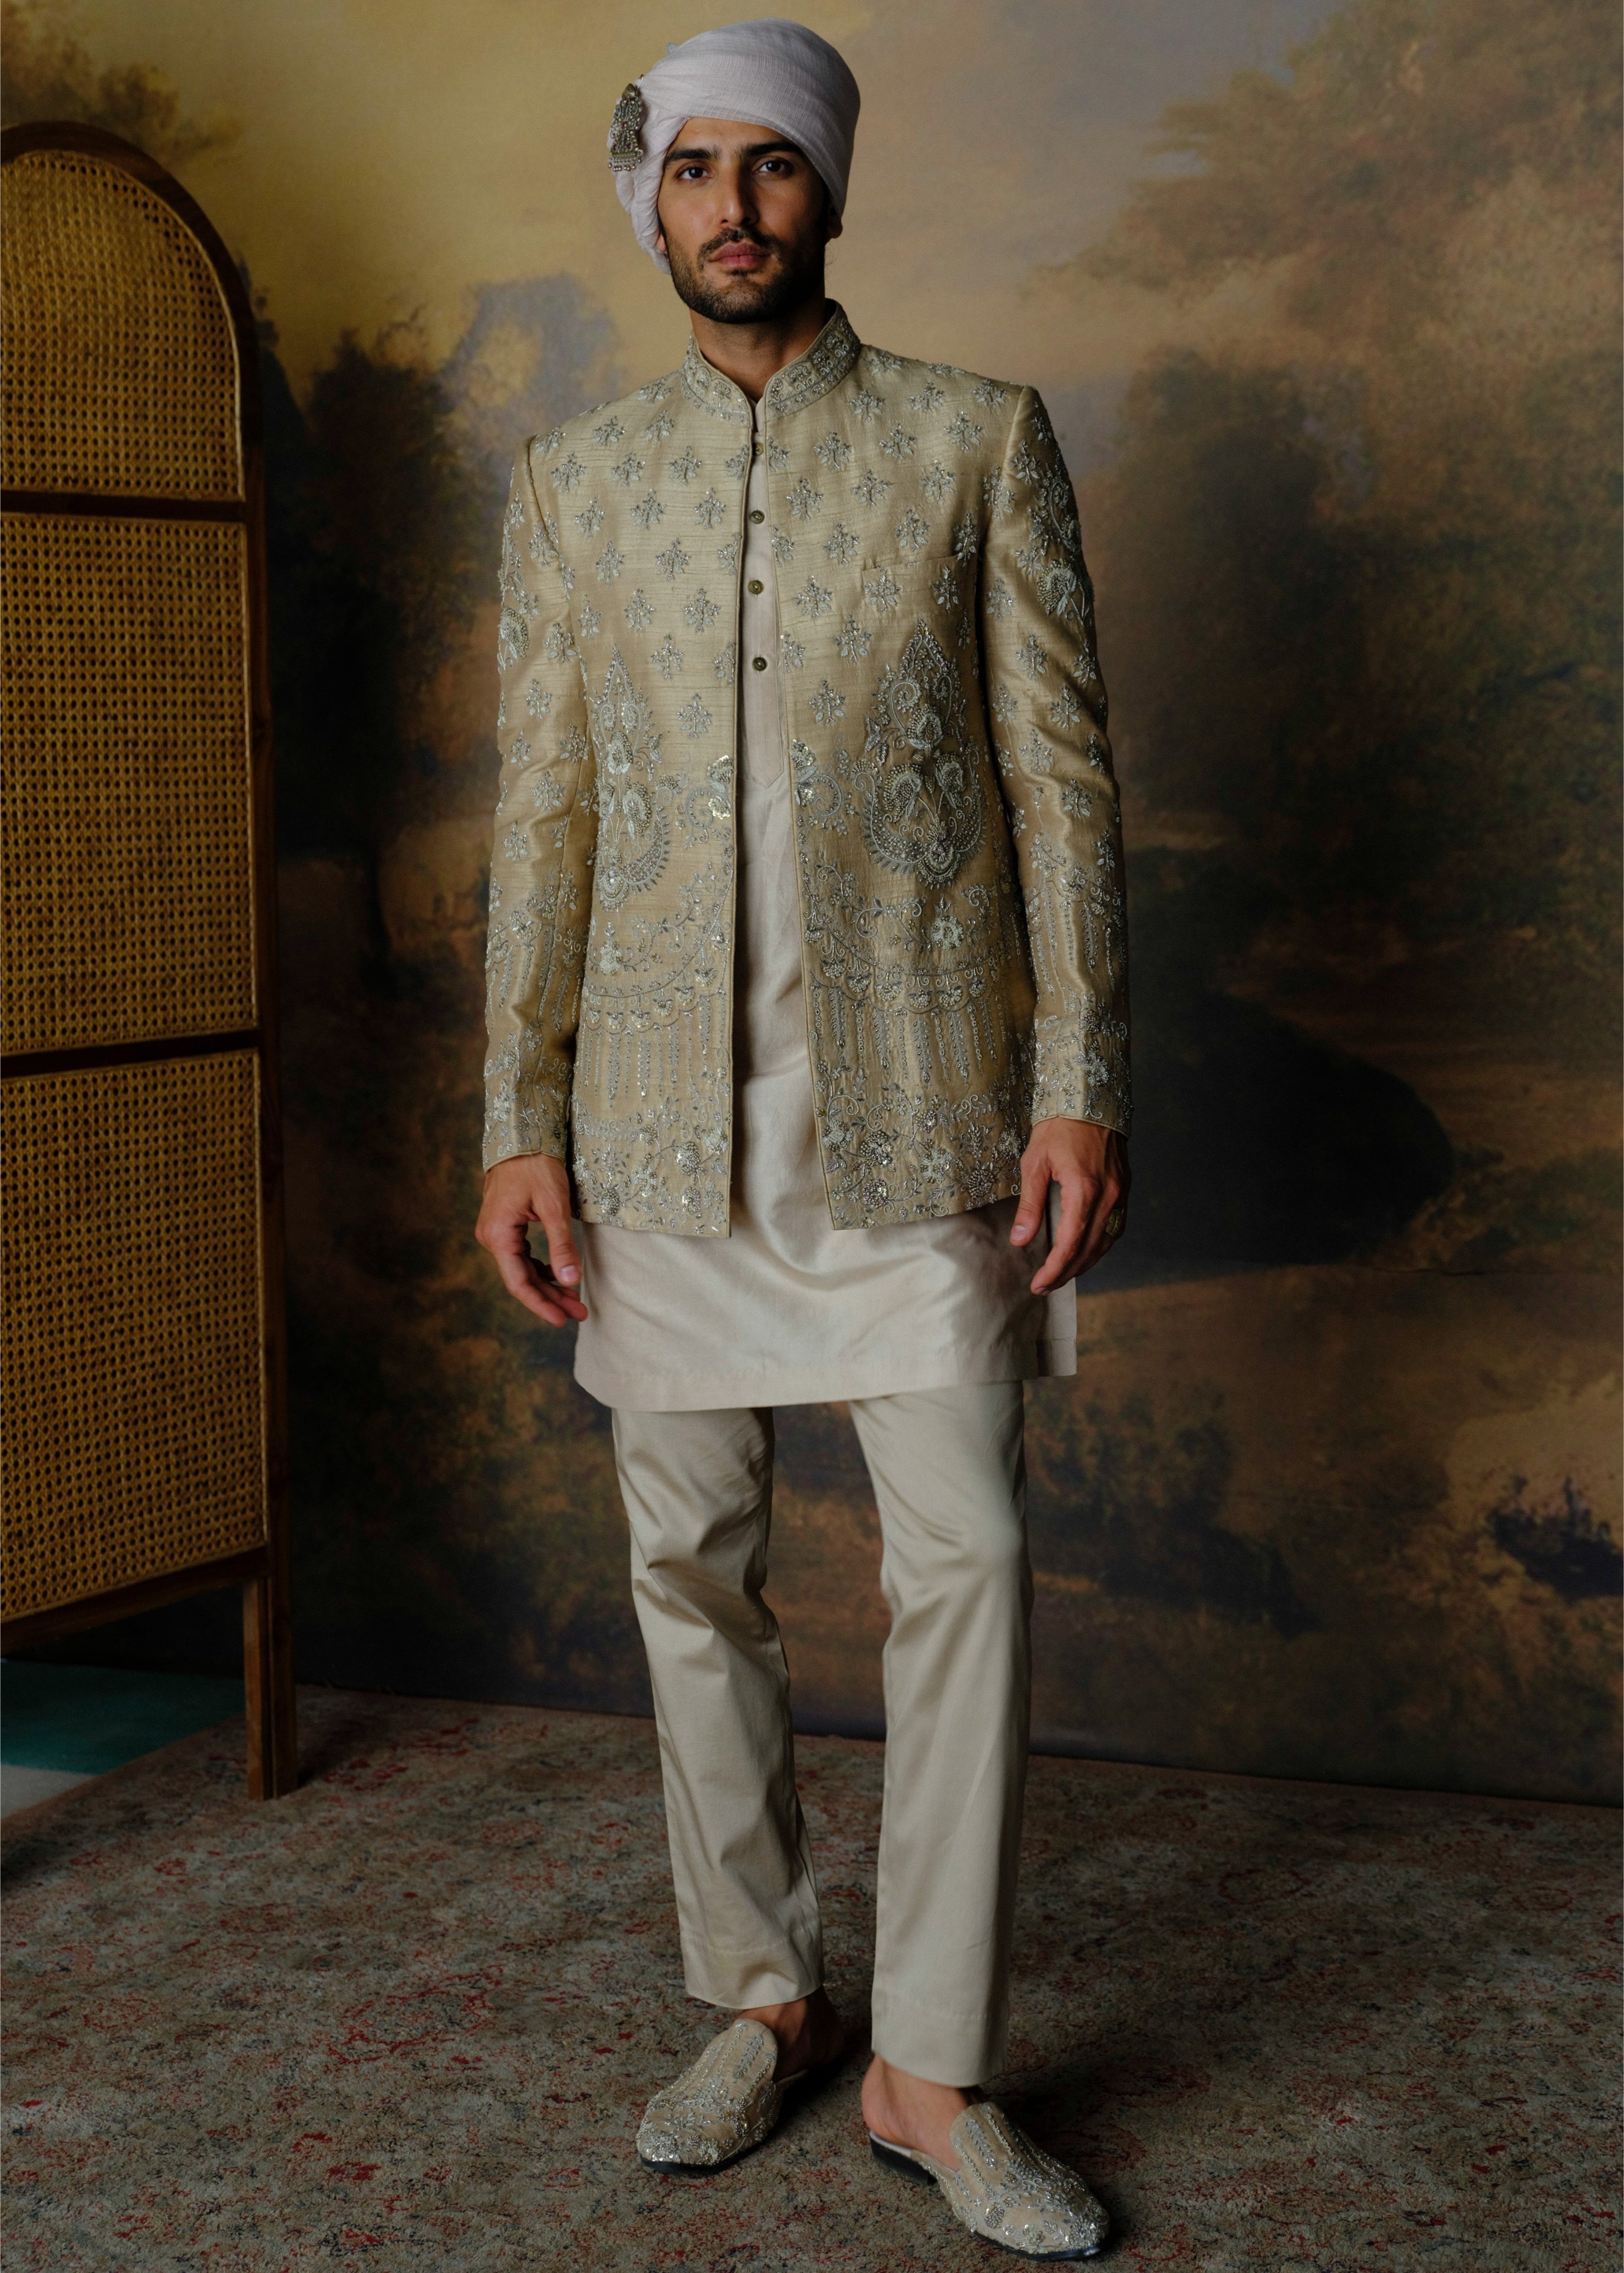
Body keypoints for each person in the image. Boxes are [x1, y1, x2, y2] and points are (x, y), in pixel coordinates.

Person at [475, 18, 1129, 2259]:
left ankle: (931, 2067)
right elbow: (540, 825)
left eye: (771, 168)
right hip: (655, 1127)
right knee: (688, 1569)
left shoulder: (970, 440)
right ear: (650, 202)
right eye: (694, 170)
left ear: (827, 191)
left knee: (969, 1554)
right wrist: (515, 1120)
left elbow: (1061, 786)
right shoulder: (575, 483)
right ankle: (758, 1996)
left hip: (925, 1107)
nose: (732, 208)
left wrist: (1080, 1076)